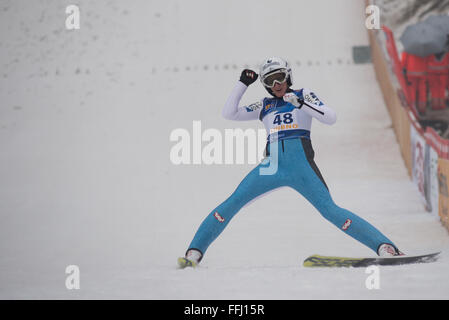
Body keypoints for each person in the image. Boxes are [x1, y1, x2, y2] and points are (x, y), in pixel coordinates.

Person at [178, 57, 403, 268]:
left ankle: (386, 246)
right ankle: (194, 252)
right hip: (271, 167)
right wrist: (242, 84)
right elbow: (229, 113)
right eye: (269, 80)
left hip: (301, 168)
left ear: (288, 76)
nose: (276, 84)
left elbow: (330, 117)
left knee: (330, 210)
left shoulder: (304, 95)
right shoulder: (264, 105)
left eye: (280, 77)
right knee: (233, 202)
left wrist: (301, 104)